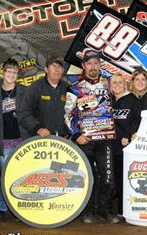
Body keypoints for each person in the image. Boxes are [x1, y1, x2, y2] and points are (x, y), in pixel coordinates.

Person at [65, 49, 119, 224]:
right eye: (89, 63)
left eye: (96, 63)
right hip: (85, 140)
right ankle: (86, 211)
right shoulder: (74, 88)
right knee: (85, 177)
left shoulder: (109, 86)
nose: (93, 66)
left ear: (100, 65)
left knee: (109, 177)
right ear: (83, 65)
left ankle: (104, 210)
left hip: (105, 139)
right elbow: (67, 115)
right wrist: (76, 135)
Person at [0, 58, 28, 221]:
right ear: (3, 72)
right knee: (7, 175)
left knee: (23, 175)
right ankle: (2, 206)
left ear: (18, 75)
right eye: (9, 70)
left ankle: (20, 207)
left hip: (23, 141)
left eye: (15, 72)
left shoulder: (24, 91)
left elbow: (33, 112)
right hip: (4, 141)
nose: (11, 74)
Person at [110, 73, 141, 216]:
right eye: (114, 82)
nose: (117, 85)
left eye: (120, 82)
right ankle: (113, 209)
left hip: (126, 146)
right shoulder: (107, 100)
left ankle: (125, 210)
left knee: (125, 178)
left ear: (125, 84)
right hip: (110, 145)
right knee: (113, 178)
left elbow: (138, 119)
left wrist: (128, 135)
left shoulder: (132, 99)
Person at [20, 56, 69, 137]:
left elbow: (74, 112)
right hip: (42, 139)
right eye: (53, 66)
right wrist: (38, 128)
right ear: (46, 69)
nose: (57, 70)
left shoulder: (67, 88)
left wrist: (68, 131)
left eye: (60, 67)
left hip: (64, 139)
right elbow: (24, 113)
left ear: (63, 70)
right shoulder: (35, 87)